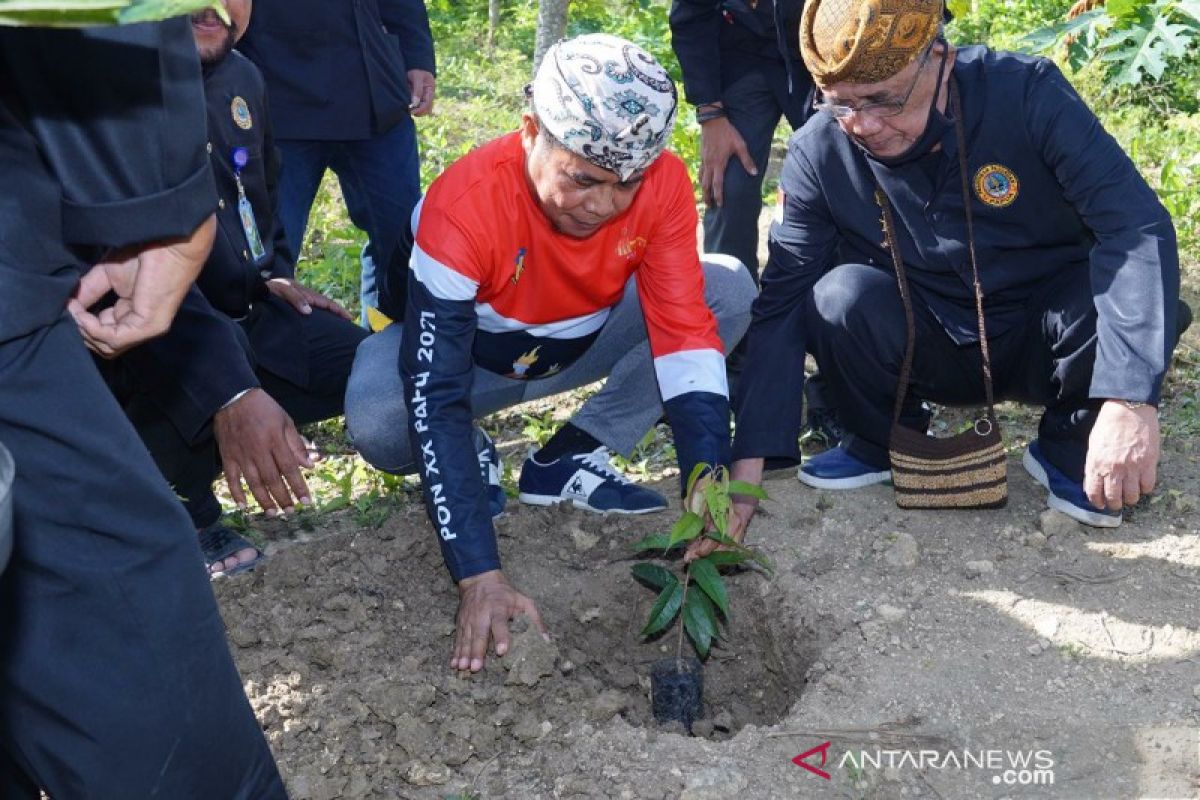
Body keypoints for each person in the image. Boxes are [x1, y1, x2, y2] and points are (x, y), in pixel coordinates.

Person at [345, 34, 757, 672]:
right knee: (380, 414)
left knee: (726, 289)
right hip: (474, 361)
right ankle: (471, 457)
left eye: (626, 185)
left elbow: (681, 330)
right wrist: (479, 577)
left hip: (581, 337)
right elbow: (434, 391)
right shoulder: (463, 207)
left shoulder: (661, 186)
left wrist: (706, 478)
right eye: (584, 179)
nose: (604, 205)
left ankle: (568, 455)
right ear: (531, 129)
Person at [712, 0, 1186, 552]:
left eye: (882, 100)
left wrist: (1130, 401)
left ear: (938, 56)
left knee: (1129, 297)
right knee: (835, 295)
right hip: (924, 341)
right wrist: (745, 475)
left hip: (1047, 337)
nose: (863, 125)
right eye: (841, 105)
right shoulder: (821, 146)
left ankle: (1067, 441)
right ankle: (881, 439)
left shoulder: (1026, 94)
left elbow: (1134, 228)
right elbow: (782, 300)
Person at [0, 18, 286, 797]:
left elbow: (263, 237)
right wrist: (154, 204)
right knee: (103, 584)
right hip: (24, 312)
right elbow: (86, 11)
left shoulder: (250, 84)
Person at [102, 0, 370, 578]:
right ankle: (185, 511)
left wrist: (272, 272)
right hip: (141, 339)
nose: (218, 4)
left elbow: (260, 194)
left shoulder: (243, 77)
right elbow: (113, 280)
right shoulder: (103, 94)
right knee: (185, 374)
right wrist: (229, 394)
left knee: (367, 364)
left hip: (241, 310)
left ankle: (237, 422)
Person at [238, 0, 437, 327]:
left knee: (401, 244)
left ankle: (384, 351)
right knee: (267, 262)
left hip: (374, 93)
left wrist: (417, 55)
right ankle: (265, 366)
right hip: (277, 100)